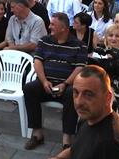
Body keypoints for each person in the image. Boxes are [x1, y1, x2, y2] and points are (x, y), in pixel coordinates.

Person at [23, 12, 87, 150]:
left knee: (72, 94)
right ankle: (37, 133)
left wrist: (65, 84)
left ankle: (67, 139)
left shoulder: (79, 45)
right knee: (29, 88)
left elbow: (79, 68)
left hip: (67, 85)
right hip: (46, 83)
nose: (49, 26)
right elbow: (38, 62)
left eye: (53, 24)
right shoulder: (44, 40)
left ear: (63, 28)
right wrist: (45, 81)